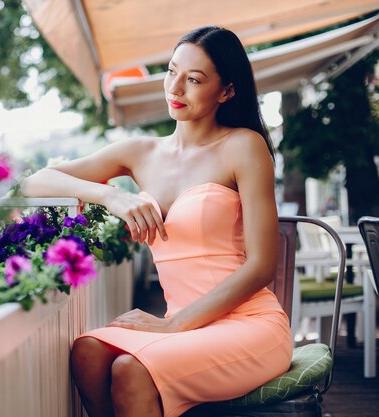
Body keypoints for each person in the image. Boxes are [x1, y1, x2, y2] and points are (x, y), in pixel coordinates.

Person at [21, 26, 292, 417]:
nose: (176, 88)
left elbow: (261, 265)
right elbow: (34, 182)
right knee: (88, 352)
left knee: (132, 369)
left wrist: (174, 325)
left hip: (248, 326)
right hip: (183, 327)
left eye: (194, 79)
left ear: (227, 91)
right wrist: (111, 195)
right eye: (171, 71)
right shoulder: (141, 152)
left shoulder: (243, 147)